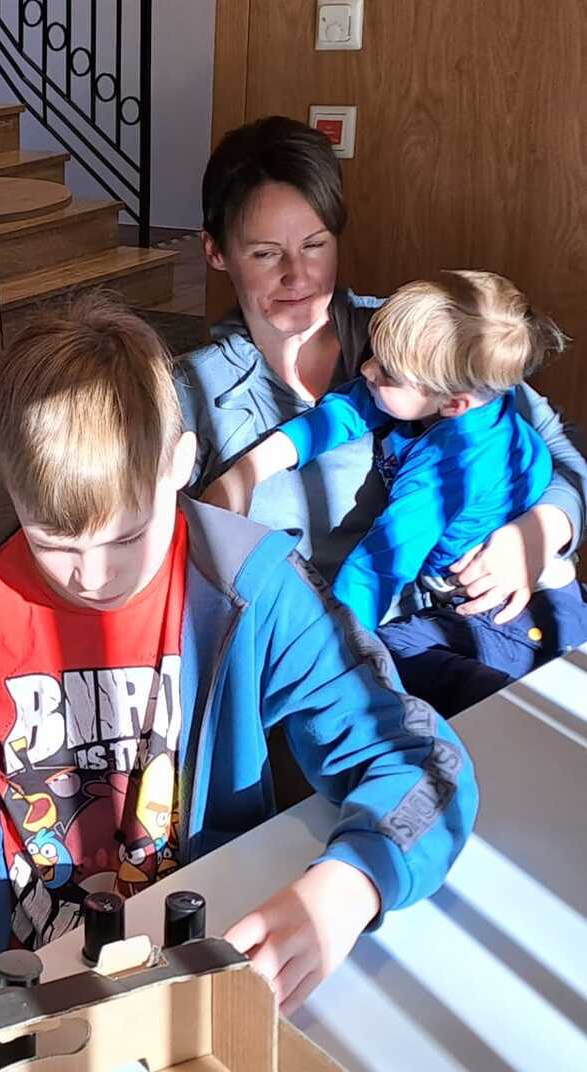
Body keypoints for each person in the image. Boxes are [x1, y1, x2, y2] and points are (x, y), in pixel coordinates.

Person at [0, 298, 478, 1013]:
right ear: (11, 486)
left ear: (181, 463)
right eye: (54, 544)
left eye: (127, 538)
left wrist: (349, 887)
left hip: (187, 964)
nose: (93, 576)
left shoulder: (251, 587)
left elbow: (418, 762)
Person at [176, 116, 587, 689]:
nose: (297, 275)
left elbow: (562, 453)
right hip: (330, 662)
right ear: (216, 251)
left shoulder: (418, 336)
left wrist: (542, 529)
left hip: (487, 619)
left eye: (315, 245)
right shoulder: (194, 391)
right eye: (266, 254)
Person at [205, 271, 587, 711]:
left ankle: (527, 710)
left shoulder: (453, 465)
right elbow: (343, 412)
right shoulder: (434, 392)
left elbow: (379, 564)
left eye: (385, 372)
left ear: (454, 404)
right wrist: (248, 471)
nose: (367, 369)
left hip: (512, 613)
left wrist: (325, 651)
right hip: (492, 601)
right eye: (374, 355)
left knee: (392, 654)